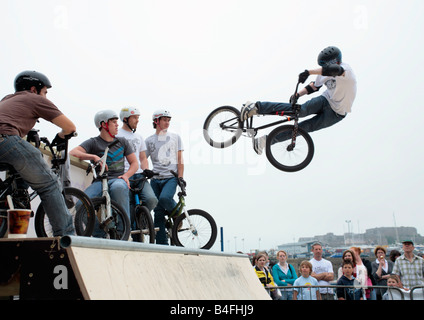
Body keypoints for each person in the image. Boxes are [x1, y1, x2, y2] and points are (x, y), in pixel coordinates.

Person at [240, 46, 357, 155]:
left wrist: (309, 72)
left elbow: (335, 70)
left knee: (302, 129)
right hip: (326, 100)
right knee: (300, 111)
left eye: (326, 66)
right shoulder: (322, 74)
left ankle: (265, 141)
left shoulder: (346, 70)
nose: (324, 68)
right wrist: (297, 94)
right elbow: (314, 86)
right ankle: (256, 107)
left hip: (336, 114)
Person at [0, 70, 76, 236]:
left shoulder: (7, 99)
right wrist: (61, 136)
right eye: (45, 92)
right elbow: (70, 127)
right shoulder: (34, 99)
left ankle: (16, 204)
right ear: (34, 89)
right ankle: (66, 236)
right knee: (49, 184)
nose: (46, 97)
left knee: (15, 179)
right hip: (5, 139)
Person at [70, 109, 138, 236]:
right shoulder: (93, 142)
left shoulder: (122, 141)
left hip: (118, 178)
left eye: (117, 121)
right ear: (103, 124)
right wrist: (93, 157)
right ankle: (99, 234)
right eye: (113, 122)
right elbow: (73, 152)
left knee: (119, 187)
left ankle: (123, 234)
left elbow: (134, 163)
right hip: (100, 181)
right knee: (81, 205)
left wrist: (126, 176)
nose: (117, 124)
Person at [116, 107, 158, 239]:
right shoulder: (117, 135)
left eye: (138, 118)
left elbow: (143, 158)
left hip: (139, 174)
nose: (137, 121)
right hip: (124, 175)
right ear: (125, 119)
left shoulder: (139, 137)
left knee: (151, 199)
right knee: (127, 208)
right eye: (135, 118)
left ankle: (143, 221)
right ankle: (131, 230)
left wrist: (146, 169)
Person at [145, 110, 184, 245]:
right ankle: (162, 244)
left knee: (165, 198)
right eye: (164, 120)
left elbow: (180, 159)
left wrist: (181, 177)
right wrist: (144, 171)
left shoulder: (175, 137)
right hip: (155, 179)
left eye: (169, 120)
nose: (167, 123)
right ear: (156, 121)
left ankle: (178, 215)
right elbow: (143, 159)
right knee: (158, 211)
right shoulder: (149, 140)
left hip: (170, 177)